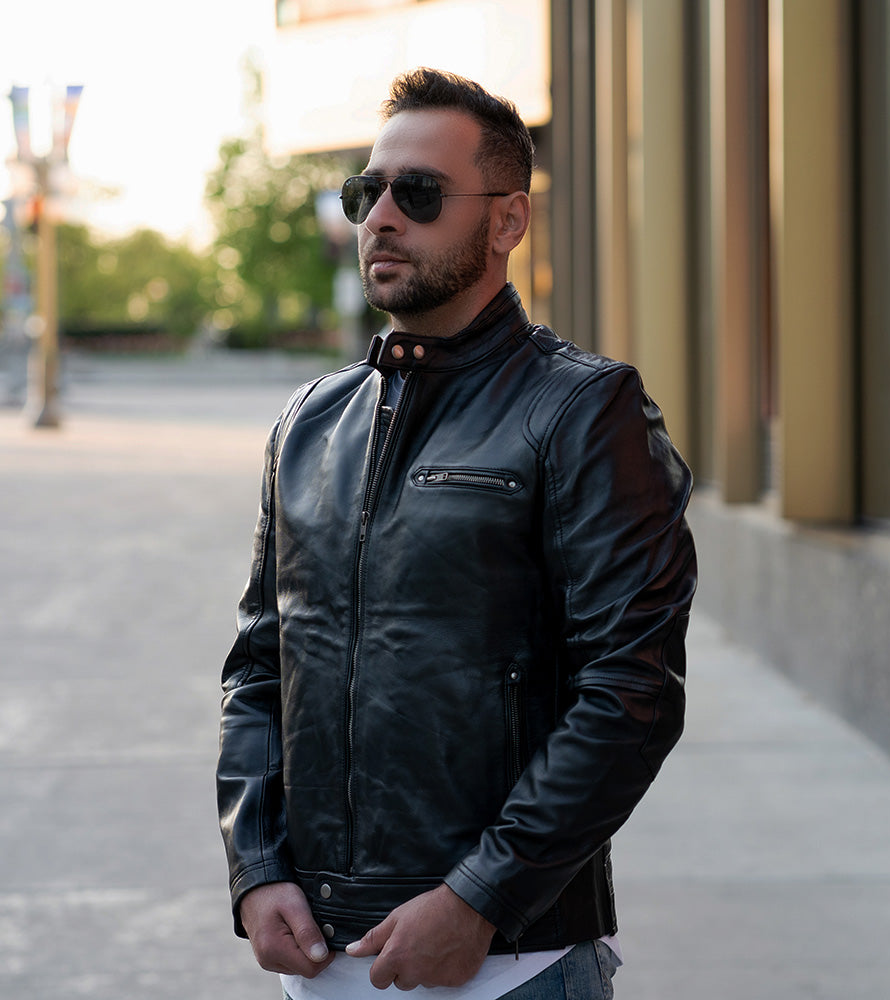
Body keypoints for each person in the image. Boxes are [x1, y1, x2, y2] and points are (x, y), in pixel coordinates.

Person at [217, 68, 696, 999]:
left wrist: (482, 896)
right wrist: (256, 865)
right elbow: (260, 667)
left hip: (509, 965)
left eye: (421, 193)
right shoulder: (310, 422)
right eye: (366, 191)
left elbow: (632, 690)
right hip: (316, 962)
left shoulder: (584, 410)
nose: (382, 217)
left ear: (509, 221)